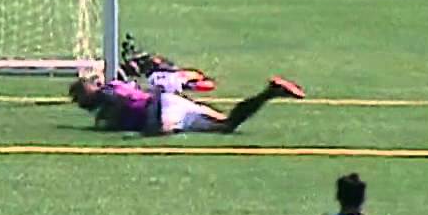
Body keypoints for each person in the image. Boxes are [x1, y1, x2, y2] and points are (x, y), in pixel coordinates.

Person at [69, 75, 304, 136]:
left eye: (79, 98)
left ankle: (270, 93)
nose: (79, 104)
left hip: (160, 110)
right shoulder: (114, 85)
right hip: (169, 100)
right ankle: (269, 93)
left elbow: (121, 106)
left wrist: (107, 123)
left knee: (156, 131)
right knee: (226, 123)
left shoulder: (107, 97)